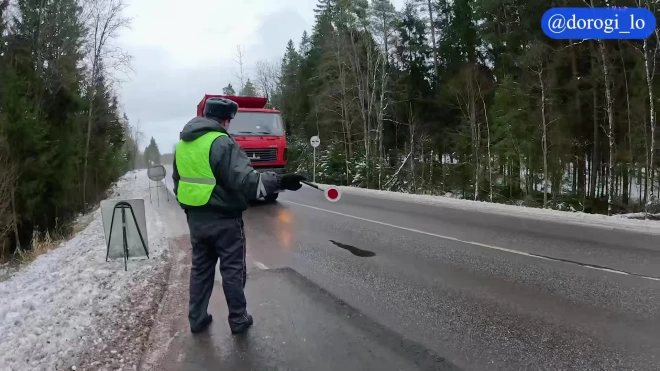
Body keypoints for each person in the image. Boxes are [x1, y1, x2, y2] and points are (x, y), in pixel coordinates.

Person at [172, 97, 306, 334]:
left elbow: (178, 183)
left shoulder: (183, 145)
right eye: (229, 121)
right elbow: (247, 182)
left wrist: (190, 210)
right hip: (224, 219)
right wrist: (282, 181)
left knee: (201, 270)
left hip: (196, 219)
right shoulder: (222, 143)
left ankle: (197, 318)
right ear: (225, 120)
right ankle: (238, 319)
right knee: (232, 269)